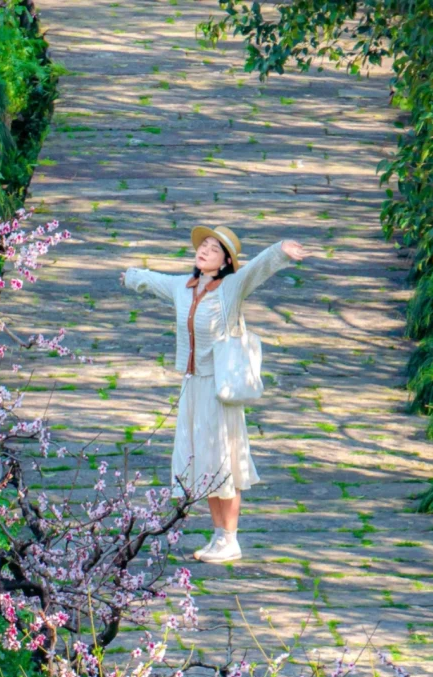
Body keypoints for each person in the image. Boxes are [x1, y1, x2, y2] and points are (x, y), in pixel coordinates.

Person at [121, 225, 310, 563]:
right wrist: (130, 276)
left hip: (218, 388)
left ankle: (230, 537)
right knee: (202, 462)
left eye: (213, 248)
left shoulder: (231, 287)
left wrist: (281, 250)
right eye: (203, 245)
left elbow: (258, 268)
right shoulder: (184, 286)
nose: (204, 250)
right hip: (192, 385)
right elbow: (154, 281)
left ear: (224, 261)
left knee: (225, 460)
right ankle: (219, 536)